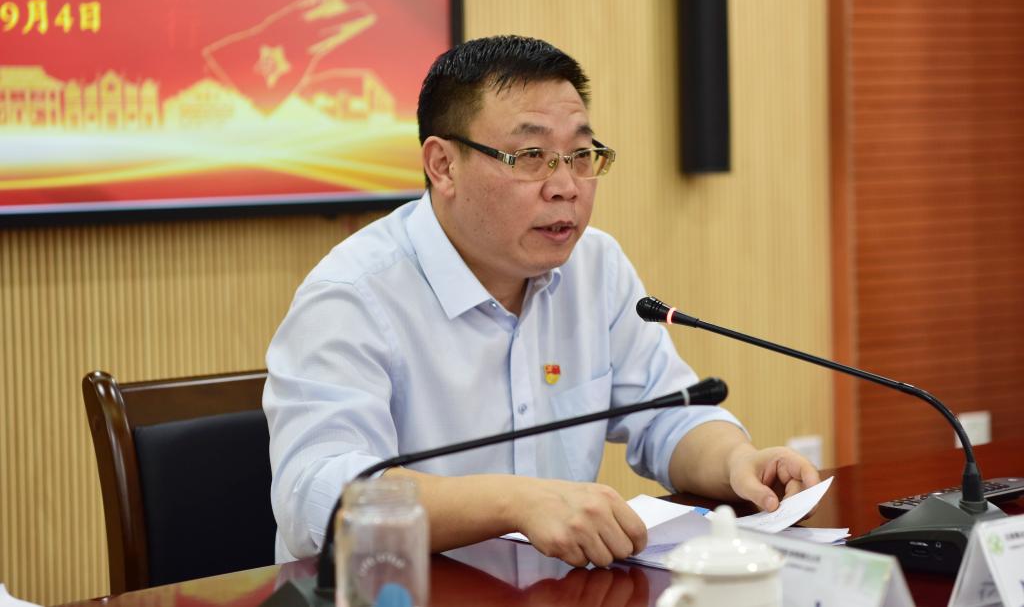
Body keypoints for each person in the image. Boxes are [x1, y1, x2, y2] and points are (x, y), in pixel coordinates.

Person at [263, 34, 820, 567]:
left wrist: (736, 460)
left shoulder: (595, 266)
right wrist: (514, 502)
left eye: (580, 155)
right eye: (531, 155)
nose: (566, 186)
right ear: (443, 166)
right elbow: (319, 495)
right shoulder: (352, 295)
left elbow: (667, 417)